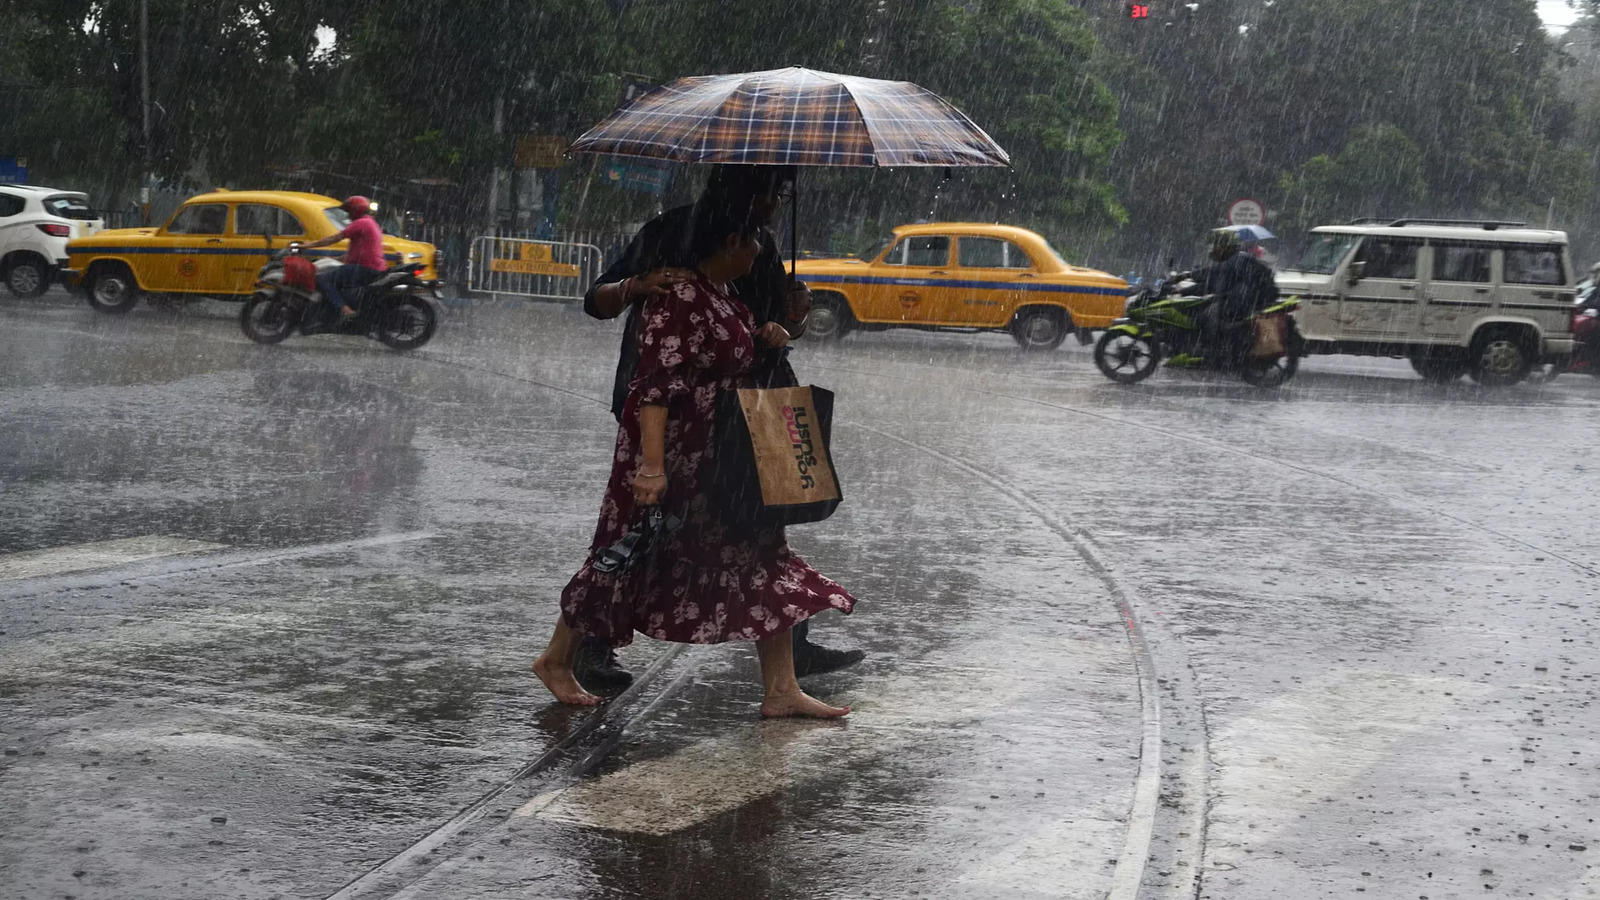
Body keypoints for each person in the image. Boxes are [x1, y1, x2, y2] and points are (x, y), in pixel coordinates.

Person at [533, 199, 855, 718]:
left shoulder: (723, 291)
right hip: (676, 457)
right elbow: (654, 386)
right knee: (627, 554)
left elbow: (737, 349)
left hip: (725, 454)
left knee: (761, 553)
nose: (760, 250)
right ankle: (558, 658)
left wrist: (780, 325)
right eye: (753, 242)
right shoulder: (677, 294)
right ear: (730, 243)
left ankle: (781, 688)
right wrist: (653, 468)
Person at [1179, 228, 1279, 358]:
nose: (1214, 249)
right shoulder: (1233, 260)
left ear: (1225, 247)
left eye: (1217, 246)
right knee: (1202, 308)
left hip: (1244, 302)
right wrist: (1183, 291)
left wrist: (1188, 275)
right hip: (1239, 299)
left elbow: (1213, 274)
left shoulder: (1237, 259)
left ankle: (1215, 350)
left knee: (1208, 314)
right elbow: (1210, 284)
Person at [302, 196, 386, 320]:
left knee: (321, 279)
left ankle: (344, 310)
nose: (348, 216)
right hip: (371, 267)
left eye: (349, 212)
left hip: (363, 268)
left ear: (355, 211)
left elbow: (334, 238)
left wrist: (307, 245)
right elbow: (359, 252)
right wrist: (334, 258)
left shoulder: (361, 223)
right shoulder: (371, 223)